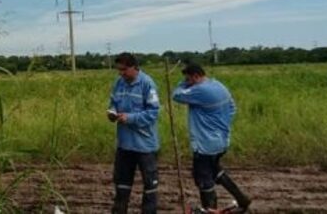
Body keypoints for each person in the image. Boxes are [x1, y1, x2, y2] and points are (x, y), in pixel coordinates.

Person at [172, 63, 251, 213]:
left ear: (196, 76)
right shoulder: (218, 85)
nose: (187, 82)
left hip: (205, 144)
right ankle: (241, 199)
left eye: (188, 79)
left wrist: (183, 83)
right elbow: (232, 108)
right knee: (215, 171)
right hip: (221, 140)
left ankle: (210, 209)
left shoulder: (201, 90)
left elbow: (177, 95)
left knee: (203, 178)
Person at [107, 52, 160, 214]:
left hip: (145, 145)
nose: (121, 73)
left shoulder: (147, 84)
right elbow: (113, 103)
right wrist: (112, 112)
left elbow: (153, 113)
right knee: (122, 184)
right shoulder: (119, 83)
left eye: (124, 70)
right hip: (124, 144)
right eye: (119, 70)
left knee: (150, 186)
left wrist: (129, 118)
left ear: (134, 67)